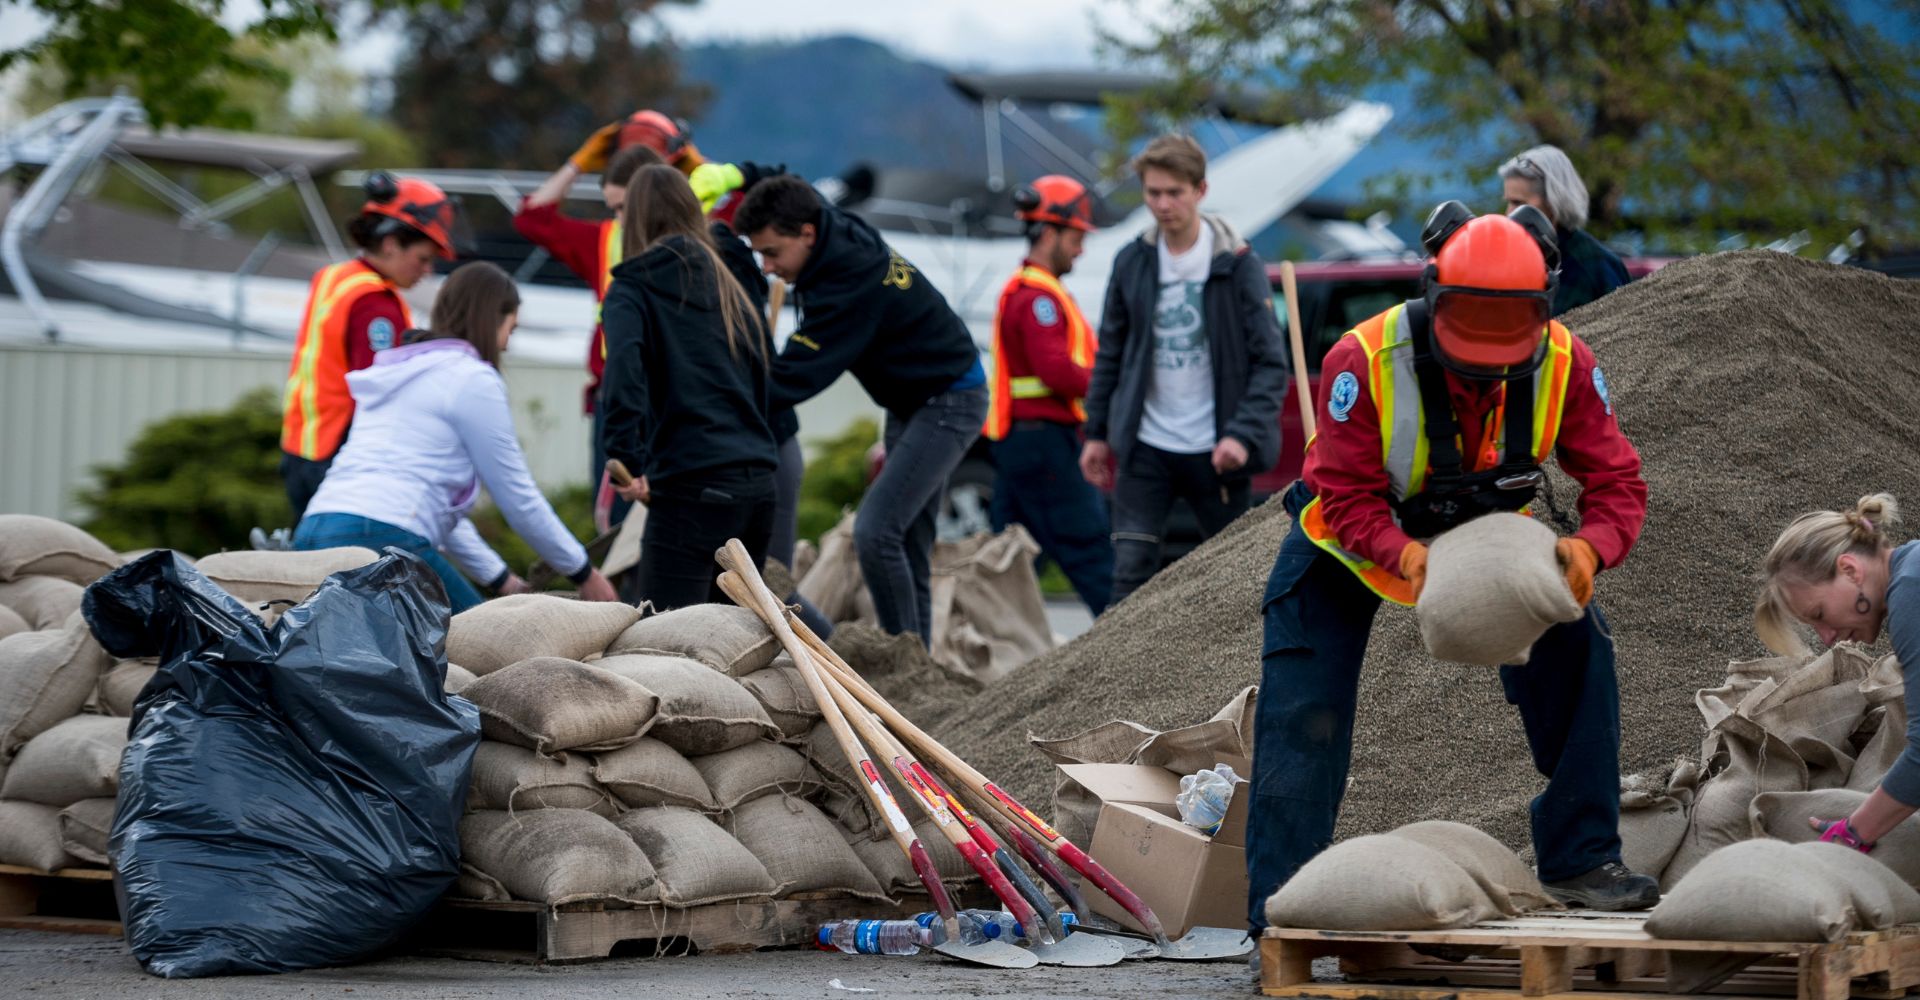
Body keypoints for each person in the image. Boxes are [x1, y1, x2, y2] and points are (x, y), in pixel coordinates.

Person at [1246, 203, 1656, 930]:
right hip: (1348, 547)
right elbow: (1344, 494)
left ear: (1540, 316)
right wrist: (1405, 556)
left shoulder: (1568, 361)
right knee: (1303, 715)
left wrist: (1592, 549)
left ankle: (1582, 857)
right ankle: (1281, 909)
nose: (1488, 380)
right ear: (1434, 301)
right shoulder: (1362, 358)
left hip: (1492, 539)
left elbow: (1618, 483)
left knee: (1582, 651)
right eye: (1473, 364)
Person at [734, 175, 985, 645]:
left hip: (950, 401)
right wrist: (740, 176)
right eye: (758, 254)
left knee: (876, 534)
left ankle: (901, 663)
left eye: (772, 253)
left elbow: (795, 377)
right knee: (908, 540)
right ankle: (920, 665)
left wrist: (721, 401)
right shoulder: (828, 220)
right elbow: (786, 181)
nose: (766, 267)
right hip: (911, 400)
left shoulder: (847, 284)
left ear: (806, 234)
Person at [296, 262, 620, 611]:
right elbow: (517, 498)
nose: (508, 346)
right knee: (480, 645)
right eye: (511, 329)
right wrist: (584, 572)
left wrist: (503, 581)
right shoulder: (472, 379)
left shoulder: (395, 372)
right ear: (492, 319)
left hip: (313, 531)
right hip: (382, 538)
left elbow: (434, 510)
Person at [1079, 133, 1289, 606]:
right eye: (1153, 193)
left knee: (1234, 579)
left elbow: (1271, 362)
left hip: (1216, 449)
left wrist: (1242, 433)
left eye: (1175, 192)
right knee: (1129, 575)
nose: (1163, 204)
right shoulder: (1132, 261)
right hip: (1145, 445)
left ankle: (1240, 675)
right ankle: (1117, 677)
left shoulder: (1236, 263)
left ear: (1200, 191)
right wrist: (1096, 432)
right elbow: (1110, 351)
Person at [599, 165, 780, 610]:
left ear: (635, 219)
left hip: (692, 487)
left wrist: (626, 458)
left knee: (666, 643)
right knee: (736, 641)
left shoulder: (631, 288)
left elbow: (623, 375)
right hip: (757, 482)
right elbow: (764, 375)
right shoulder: (731, 282)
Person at [278, 172, 455, 523]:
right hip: (337, 456)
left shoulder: (335, 277)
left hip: (301, 447)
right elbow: (380, 391)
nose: (427, 271)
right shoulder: (376, 303)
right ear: (390, 244)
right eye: (422, 258)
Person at [1753, 494, 1918, 853]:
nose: (1827, 639)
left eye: (1819, 614)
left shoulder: (1911, 592)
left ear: (1850, 571)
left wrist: (1850, 834)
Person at [983, 175, 1114, 616]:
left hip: (1025, 444)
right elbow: (1056, 371)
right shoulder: (1038, 299)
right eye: (1076, 237)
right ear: (1051, 232)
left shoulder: (1033, 292)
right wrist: (1111, 386)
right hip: (1045, 445)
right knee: (1090, 551)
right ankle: (1132, 651)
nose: (1081, 249)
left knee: (1010, 560)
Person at [513, 136, 663, 491]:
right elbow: (532, 218)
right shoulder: (601, 240)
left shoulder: (694, 245)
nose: (620, 219)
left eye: (625, 206)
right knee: (612, 524)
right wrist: (579, 163)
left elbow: (737, 213)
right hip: (615, 401)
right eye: (613, 207)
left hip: (666, 405)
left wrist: (691, 163)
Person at [1499, 145, 1629, 316]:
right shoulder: (1516, 262)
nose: (1509, 214)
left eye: (1519, 203)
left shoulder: (1596, 267)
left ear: (1554, 201)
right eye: (1508, 202)